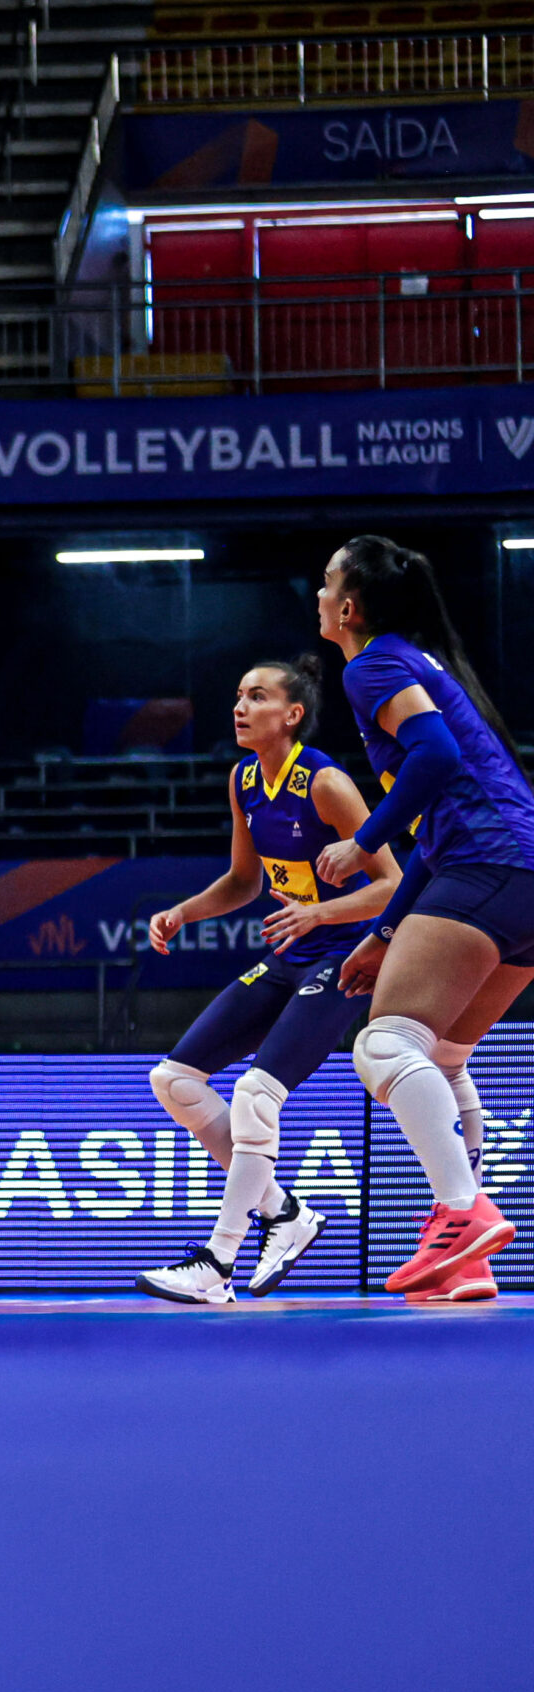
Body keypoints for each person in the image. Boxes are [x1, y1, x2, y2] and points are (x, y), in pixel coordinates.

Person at [134, 659, 399, 1305]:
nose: (241, 705)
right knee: (173, 1079)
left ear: (293, 713)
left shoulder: (327, 783)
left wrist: (320, 912)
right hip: (290, 955)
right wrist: (183, 911)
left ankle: (217, 1264)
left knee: (256, 1093)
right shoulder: (244, 777)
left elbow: (395, 884)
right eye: (238, 694)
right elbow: (245, 881)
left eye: (258, 695)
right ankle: (285, 1213)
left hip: (345, 952)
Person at [314, 536, 528, 1299]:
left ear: (348, 606)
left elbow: (433, 759)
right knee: (438, 1060)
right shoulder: (423, 662)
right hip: (517, 875)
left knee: (383, 1043)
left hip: (488, 863)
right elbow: (436, 828)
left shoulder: (371, 664)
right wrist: (381, 931)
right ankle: (467, 1257)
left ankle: (465, 1213)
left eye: (327, 580)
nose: (317, 592)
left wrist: (361, 841)